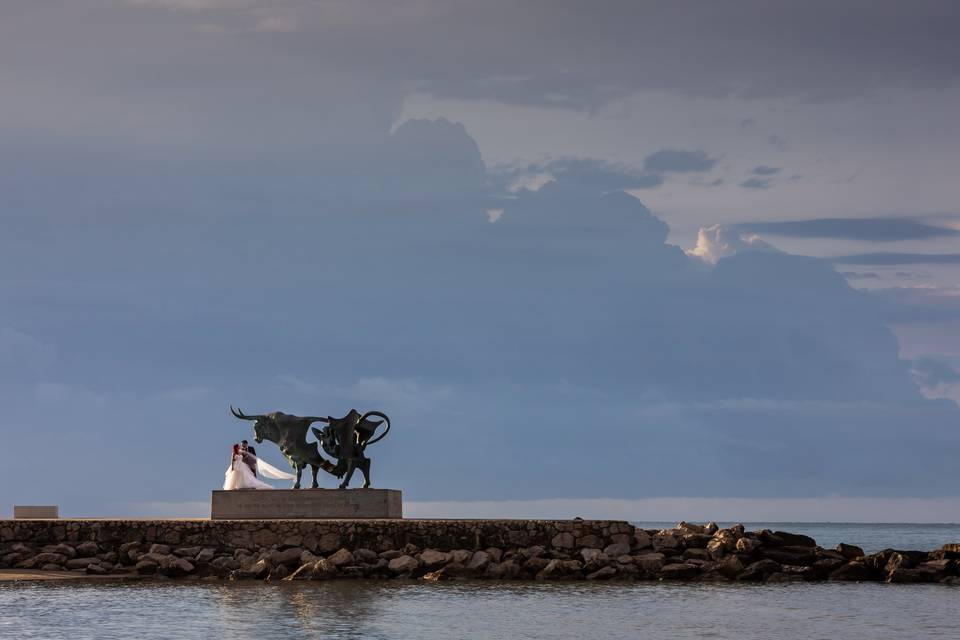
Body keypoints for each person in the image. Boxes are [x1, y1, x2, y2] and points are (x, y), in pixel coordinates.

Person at [223, 443, 296, 490]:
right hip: (236, 466)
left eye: (240, 446)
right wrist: (232, 468)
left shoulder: (241, 452)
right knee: (236, 477)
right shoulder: (234, 454)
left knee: (245, 476)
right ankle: (235, 486)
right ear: (236, 448)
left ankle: (244, 485)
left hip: (242, 466)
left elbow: (249, 456)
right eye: (238, 446)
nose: (240, 447)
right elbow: (232, 461)